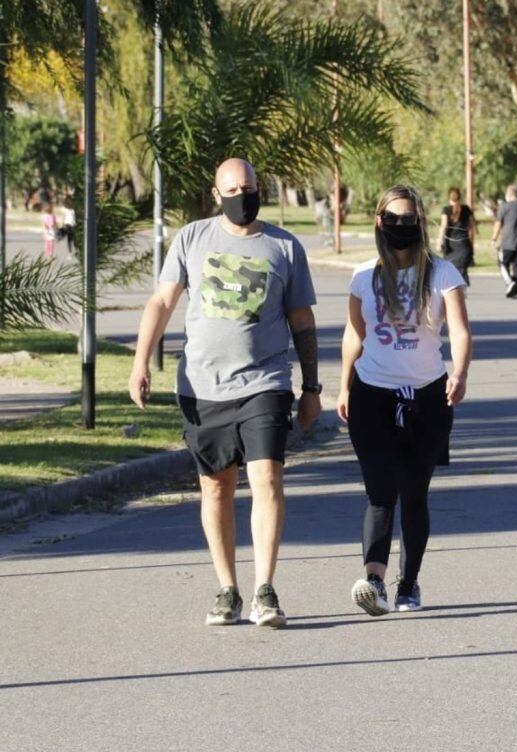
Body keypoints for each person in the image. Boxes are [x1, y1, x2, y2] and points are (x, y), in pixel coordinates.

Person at [129, 158, 321, 628]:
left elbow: (302, 321)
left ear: (261, 188)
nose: (242, 196)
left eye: (250, 187)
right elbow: (162, 301)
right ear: (216, 195)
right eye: (232, 189)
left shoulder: (284, 247)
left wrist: (311, 387)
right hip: (203, 385)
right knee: (216, 488)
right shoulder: (192, 238)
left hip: (265, 381)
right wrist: (140, 363)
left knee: (267, 479)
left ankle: (265, 590)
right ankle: (227, 589)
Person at [337, 185, 472, 615]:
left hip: (427, 398)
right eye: (391, 219)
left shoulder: (442, 273)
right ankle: (373, 581)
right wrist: (343, 385)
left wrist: (460, 373)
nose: (399, 226)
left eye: (408, 219)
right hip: (371, 395)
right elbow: (354, 334)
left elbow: (461, 331)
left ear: (421, 223)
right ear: (379, 221)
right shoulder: (363, 276)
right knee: (379, 493)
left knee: (414, 492)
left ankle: (408, 583)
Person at [436, 186, 475, 285]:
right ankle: (462, 293)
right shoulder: (466, 209)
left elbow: (443, 226)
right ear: (460, 197)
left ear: (449, 197)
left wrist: (439, 241)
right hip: (464, 245)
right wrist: (471, 244)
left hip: (451, 247)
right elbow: (471, 229)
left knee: (450, 273)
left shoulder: (446, 210)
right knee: (462, 272)